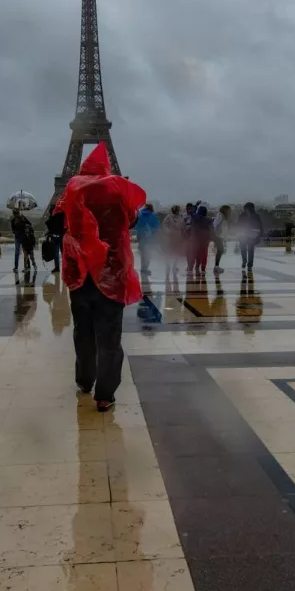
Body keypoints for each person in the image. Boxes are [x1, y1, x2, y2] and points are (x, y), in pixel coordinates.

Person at [51, 143, 145, 412]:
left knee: (83, 331)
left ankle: (84, 380)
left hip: (80, 274)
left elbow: (57, 221)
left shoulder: (71, 188)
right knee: (109, 336)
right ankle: (104, 394)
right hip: (111, 274)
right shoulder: (116, 188)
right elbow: (131, 219)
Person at [134, 203, 160, 275]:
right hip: (150, 239)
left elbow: (137, 227)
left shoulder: (140, 216)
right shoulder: (153, 216)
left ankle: (143, 268)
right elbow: (157, 227)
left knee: (143, 255)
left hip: (142, 238)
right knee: (148, 255)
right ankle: (145, 268)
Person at [236, 202, 264, 272]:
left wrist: (260, 234)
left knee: (249, 250)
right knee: (245, 249)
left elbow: (260, 225)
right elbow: (238, 225)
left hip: (250, 235)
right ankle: (246, 262)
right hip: (245, 235)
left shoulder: (254, 216)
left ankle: (248, 264)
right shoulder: (244, 216)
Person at [190, 205, 213, 274]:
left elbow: (191, 212)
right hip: (205, 239)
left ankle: (193, 267)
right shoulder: (209, 219)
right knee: (204, 254)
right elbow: (211, 229)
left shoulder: (194, 217)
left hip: (195, 238)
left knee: (194, 253)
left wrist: (195, 206)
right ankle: (203, 268)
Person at [161, 205, 184, 277]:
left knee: (177, 253)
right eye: (176, 209)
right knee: (169, 253)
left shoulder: (181, 217)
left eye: (178, 209)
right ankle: (168, 265)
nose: (177, 211)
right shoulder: (169, 217)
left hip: (178, 238)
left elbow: (183, 226)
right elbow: (164, 224)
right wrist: (168, 231)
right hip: (170, 238)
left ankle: (175, 266)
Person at [212, 205, 231, 273]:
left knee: (220, 251)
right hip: (218, 236)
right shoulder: (220, 215)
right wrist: (216, 233)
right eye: (228, 210)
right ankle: (216, 267)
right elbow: (214, 224)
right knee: (220, 250)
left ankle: (216, 266)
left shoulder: (224, 216)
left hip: (221, 236)